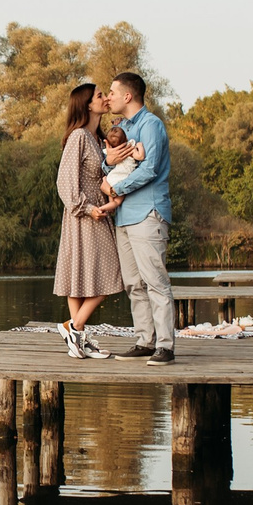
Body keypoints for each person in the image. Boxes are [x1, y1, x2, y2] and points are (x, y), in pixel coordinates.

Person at [97, 71, 174, 362]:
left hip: (147, 213)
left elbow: (150, 168)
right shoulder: (121, 128)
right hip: (124, 216)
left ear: (128, 96)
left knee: (156, 281)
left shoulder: (151, 125)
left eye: (112, 92)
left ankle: (166, 346)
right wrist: (108, 164)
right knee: (133, 283)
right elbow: (111, 166)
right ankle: (145, 341)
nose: (108, 97)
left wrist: (116, 188)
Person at [51, 84, 122, 359]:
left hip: (98, 214)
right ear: (87, 105)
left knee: (82, 277)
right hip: (83, 216)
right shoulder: (78, 136)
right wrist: (87, 209)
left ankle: (76, 338)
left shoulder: (98, 138)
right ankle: (75, 327)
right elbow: (64, 182)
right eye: (100, 95)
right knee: (109, 273)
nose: (105, 99)